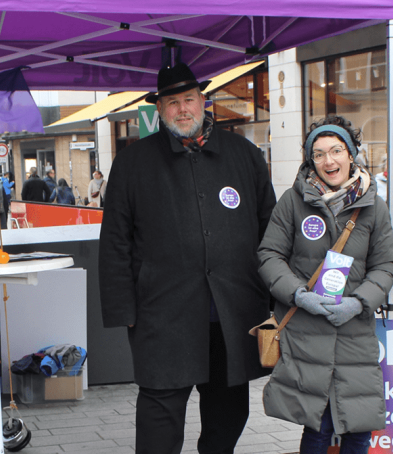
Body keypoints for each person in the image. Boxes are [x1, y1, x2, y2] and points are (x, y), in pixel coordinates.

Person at [99, 63, 277, 454]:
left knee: (229, 414)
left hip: (234, 313)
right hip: (162, 314)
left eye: (189, 99)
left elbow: (271, 231)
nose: (183, 109)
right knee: (159, 420)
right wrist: (122, 308)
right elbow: (114, 241)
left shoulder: (244, 155)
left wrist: (275, 301)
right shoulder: (132, 163)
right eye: (172, 102)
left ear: (203, 101)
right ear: (159, 109)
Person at [258, 115, 393, 454]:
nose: (328, 160)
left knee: (359, 427)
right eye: (318, 154)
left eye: (336, 151)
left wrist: (359, 301)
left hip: (354, 332)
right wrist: (298, 295)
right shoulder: (292, 202)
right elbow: (269, 255)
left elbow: (386, 265)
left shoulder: (373, 207)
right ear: (310, 160)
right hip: (307, 331)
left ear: (351, 155)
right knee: (319, 427)